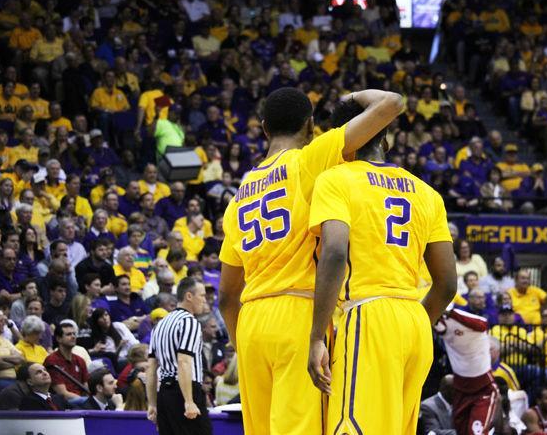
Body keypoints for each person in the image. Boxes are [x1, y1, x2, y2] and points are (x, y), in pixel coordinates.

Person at [218, 87, 404, 435]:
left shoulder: (237, 197)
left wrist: (240, 342)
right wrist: (348, 98)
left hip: (251, 322)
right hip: (298, 314)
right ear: (311, 125)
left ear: (263, 129)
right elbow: (391, 104)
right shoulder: (308, 160)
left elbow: (227, 295)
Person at [306, 98, 456, 434]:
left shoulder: (336, 178)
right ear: (385, 138)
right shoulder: (427, 193)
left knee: (351, 427)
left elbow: (333, 253)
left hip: (368, 314)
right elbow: (447, 284)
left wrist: (317, 337)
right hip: (416, 323)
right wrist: (413, 320)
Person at [146, 277, 211, 435]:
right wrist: (189, 401)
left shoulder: (160, 325)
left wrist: (152, 404)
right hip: (184, 391)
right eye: (202, 296)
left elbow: (151, 368)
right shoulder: (189, 322)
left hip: (164, 395)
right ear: (189, 296)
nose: (205, 300)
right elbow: (183, 362)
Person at [435, 309, 499, 435]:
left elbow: (483, 324)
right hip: (460, 387)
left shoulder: (457, 315)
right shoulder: (440, 322)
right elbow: (439, 327)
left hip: (483, 387)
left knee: (476, 433)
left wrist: (451, 313)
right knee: (461, 432)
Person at [43, 322, 89, 405]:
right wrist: (87, 401)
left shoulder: (80, 360)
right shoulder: (52, 360)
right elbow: (62, 393)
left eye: (74, 334)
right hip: (63, 403)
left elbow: (86, 388)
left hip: (82, 401)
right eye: (68, 334)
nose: (73, 336)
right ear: (58, 339)